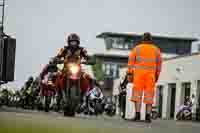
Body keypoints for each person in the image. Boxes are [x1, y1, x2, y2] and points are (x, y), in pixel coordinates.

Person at [127, 32, 162, 123]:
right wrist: (156, 76)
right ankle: (147, 117)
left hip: (138, 76)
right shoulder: (156, 50)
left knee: (137, 95)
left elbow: (130, 62)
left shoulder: (137, 49)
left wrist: (130, 74)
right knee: (149, 96)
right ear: (151, 40)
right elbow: (159, 65)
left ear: (142, 39)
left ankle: (137, 115)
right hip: (150, 76)